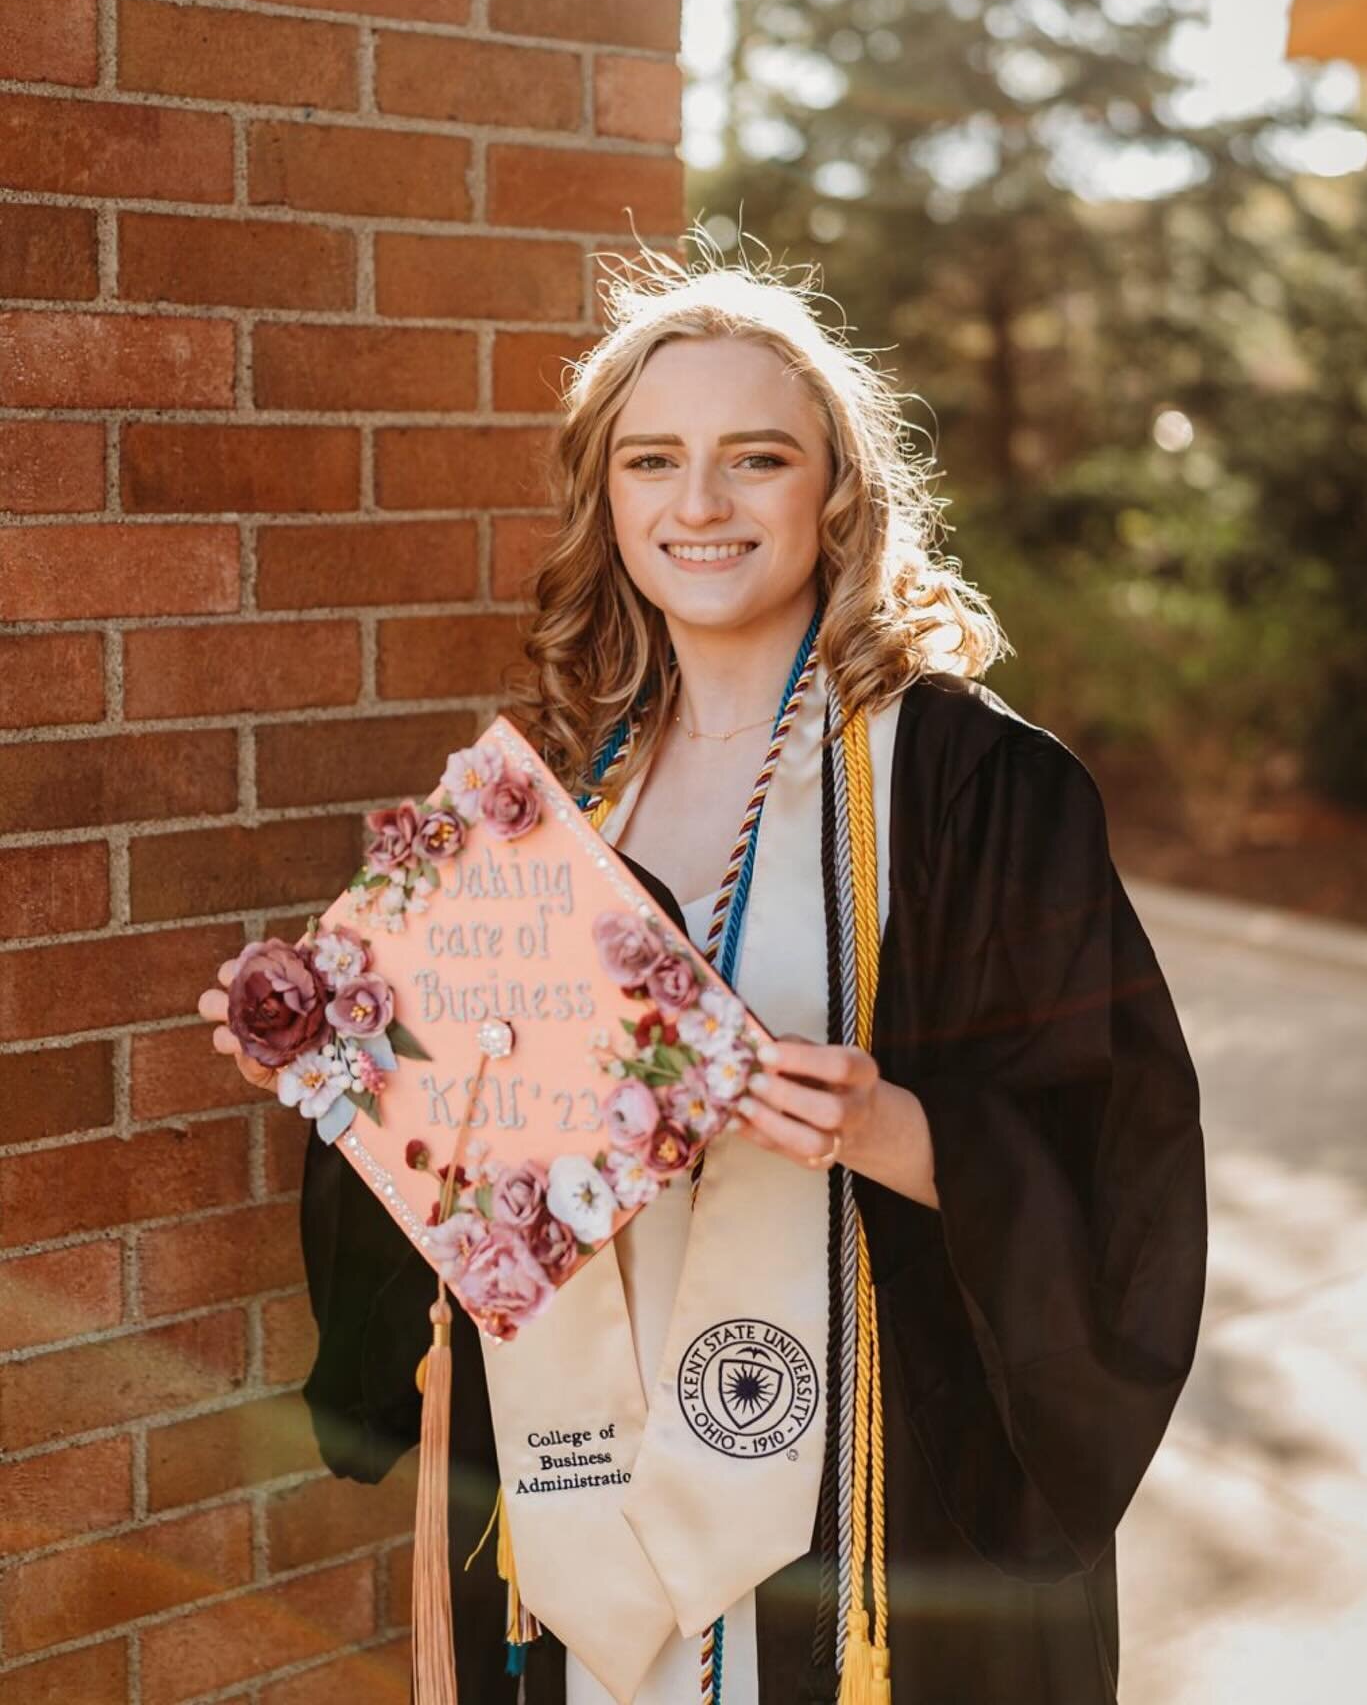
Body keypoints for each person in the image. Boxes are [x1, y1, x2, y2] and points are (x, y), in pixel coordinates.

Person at [199, 231, 1207, 1704]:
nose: (702, 504)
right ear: (608, 502)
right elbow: (461, 1156)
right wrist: (337, 1059)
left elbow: (1117, 1161)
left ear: (836, 493)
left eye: (757, 459)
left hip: (861, 1506)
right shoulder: (546, 801)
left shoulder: (976, 787)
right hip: (585, 1475)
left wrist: (888, 1127)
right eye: (653, 461)